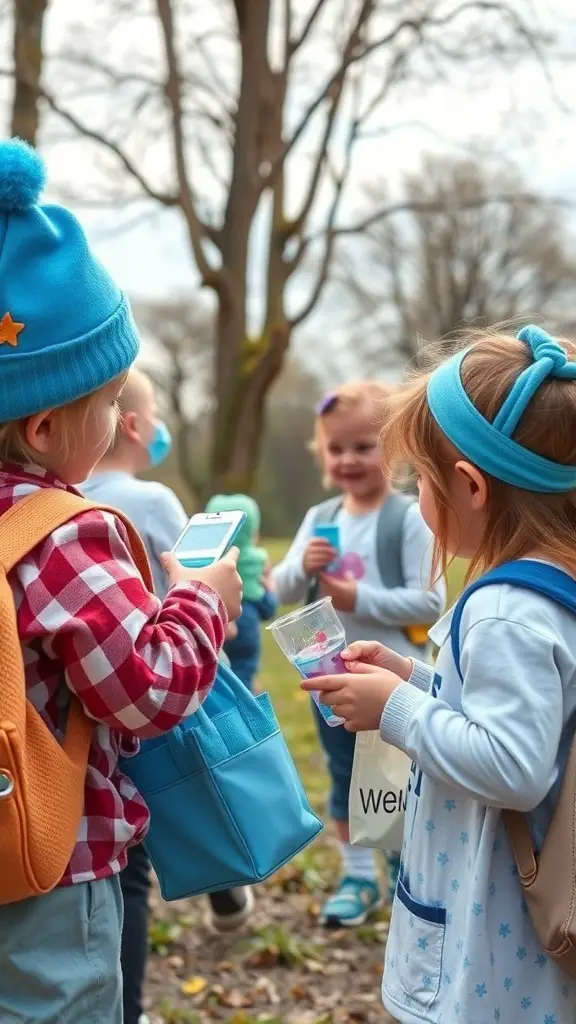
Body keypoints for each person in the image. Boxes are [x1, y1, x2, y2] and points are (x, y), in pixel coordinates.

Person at [0, 139, 242, 1023]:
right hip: (44, 868)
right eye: (108, 404)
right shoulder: (68, 534)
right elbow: (140, 692)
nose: (117, 422)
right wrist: (199, 603)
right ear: (45, 425)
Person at [305, 325, 576, 1023]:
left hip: (502, 941)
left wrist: (396, 708)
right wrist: (416, 680)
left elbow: (513, 766)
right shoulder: (551, 591)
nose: (417, 498)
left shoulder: (505, 612)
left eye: (420, 480)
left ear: (469, 486)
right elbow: (522, 718)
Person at [83, 371, 254, 1024]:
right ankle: (129, 1003)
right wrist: (219, 605)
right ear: (133, 426)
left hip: (79, 721)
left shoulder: (51, 499)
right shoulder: (149, 500)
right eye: (154, 416)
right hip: (150, 695)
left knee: (114, 858)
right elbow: (197, 586)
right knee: (143, 849)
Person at [273, 381, 445, 927]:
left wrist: (358, 598)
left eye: (363, 446)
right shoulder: (321, 519)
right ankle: (357, 877)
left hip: (392, 679)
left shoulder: (408, 518)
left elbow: (431, 599)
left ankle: (404, 870)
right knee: (345, 775)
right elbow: (277, 591)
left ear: (392, 450)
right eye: (336, 448)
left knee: (398, 778)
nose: (348, 459)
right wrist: (301, 566)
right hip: (330, 682)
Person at [205, 493, 278, 690]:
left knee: (214, 677)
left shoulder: (206, 562)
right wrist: (270, 587)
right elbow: (268, 608)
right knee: (244, 675)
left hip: (214, 622)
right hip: (247, 626)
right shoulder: (258, 561)